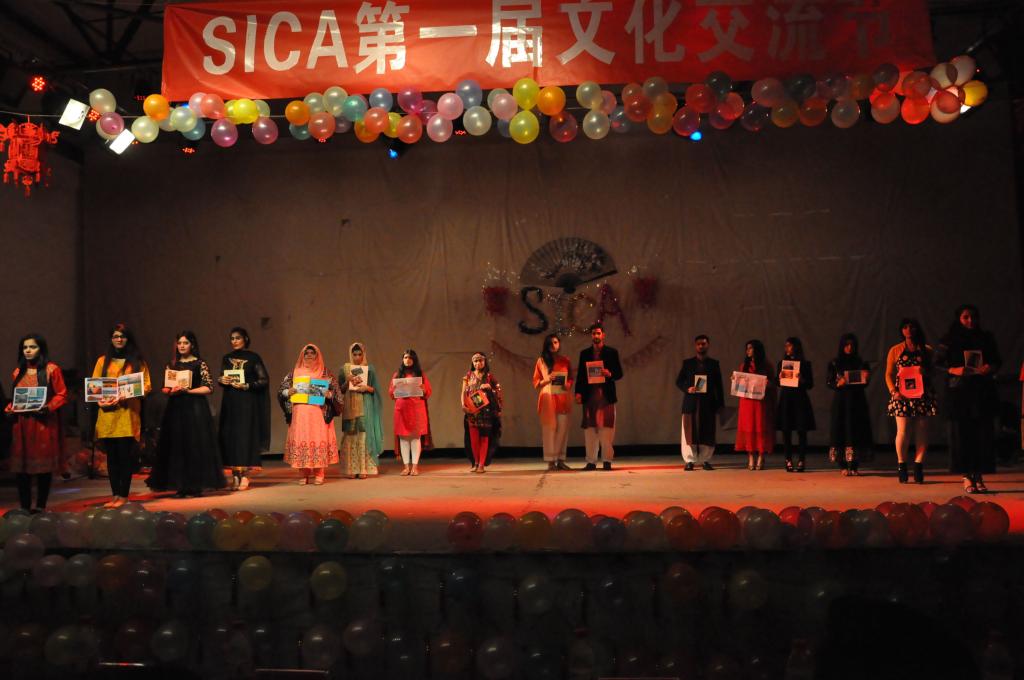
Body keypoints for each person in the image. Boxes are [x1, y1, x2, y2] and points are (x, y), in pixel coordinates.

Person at [146, 332, 226, 497]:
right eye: (179, 343)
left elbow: (209, 387)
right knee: (177, 446)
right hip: (176, 408)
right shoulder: (172, 364)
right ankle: (181, 485)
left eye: (185, 343)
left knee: (194, 445)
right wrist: (171, 391)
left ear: (192, 345)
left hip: (195, 408)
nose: (182, 346)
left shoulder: (199, 363)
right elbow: (165, 387)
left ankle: (195, 485)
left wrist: (188, 390)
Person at [937, 305, 1002, 493]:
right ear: (959, 318)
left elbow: (997, 360)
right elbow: (937, 364)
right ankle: (966, 476)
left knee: (982, 436)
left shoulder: (986, 337)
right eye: (966, 317)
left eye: (973, 316)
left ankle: (979, 475)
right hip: (959, 394)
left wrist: (990, 367)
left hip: (981, 393)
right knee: (962, 436)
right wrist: (954, 369)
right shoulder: (949, 339)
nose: (970, 320)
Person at [5, 334, 68, 512]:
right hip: (22, 425)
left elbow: (62, 394)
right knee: (22, 468)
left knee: (43, 467)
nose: (28, 350)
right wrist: (9, 408)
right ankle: (24, 507)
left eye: (32, 347)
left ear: (41, 349)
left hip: (43, 424)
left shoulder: (51, 370)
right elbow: (17, 398)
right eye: (25, 347)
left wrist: (48, 407)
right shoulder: (18, 372)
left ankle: (40, 506)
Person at [90, 324, 151, 508]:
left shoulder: (137, 361)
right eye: (115, 336)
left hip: (127, 415)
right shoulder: (102, 361)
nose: (119, 339)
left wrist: (128, 394)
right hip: (108, 415)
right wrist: (99, 401)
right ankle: (115, 495)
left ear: (128, 339)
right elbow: (94, 387)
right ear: (111, 339)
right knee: (112, 458)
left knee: (125, 457)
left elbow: (146, 386)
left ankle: (123, 495)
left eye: (122, 336)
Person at [278, 344, 342, 485]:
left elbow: (337, 392)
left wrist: (329, 394)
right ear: (302, 355)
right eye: (306, 353)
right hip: (300, 415)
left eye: (312, 353)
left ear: (317, 355)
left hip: (317, 414)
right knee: (302, 440)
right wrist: (288, 392)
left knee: (317, 440)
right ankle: (303, 473)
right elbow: (281, 390)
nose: (309, 356)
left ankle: (319, 473)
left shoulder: (325, 372)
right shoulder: (294, 373)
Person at [217, 327, 271, 491]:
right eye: (232, 338)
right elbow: (223, 376)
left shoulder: (253, 357)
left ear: (245, 339)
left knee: (246, 437)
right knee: (230, 437)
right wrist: (222, 380)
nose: (234, 341)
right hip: (230, 402)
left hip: (247, 403)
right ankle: (235, 474)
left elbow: (264, 380)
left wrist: (247, 385)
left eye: (238, 338)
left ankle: (245, 475)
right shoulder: (226, 358)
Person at [885, 318, 937, 484]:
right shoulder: (895, 350)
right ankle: (902, 465)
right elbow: (888, 374)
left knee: (922, 431)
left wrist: (925, 372)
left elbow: (934, 372)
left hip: (922, 395)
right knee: (902, 431)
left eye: (912, 327)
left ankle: (918, 465)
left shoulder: (926, 350)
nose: (908, 330)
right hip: (902, 395)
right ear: (901, 330)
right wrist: (893, 391)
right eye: (905, 327)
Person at [574, 324, 624, 471]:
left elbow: (619, 373)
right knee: (590, 430)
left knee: (607, 430)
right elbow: (581, 376)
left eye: (598, 333)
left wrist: (610, 374)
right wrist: (578, 392)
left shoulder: (611, 352)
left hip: (605, 397)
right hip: (589, 396)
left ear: (603, 335)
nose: (595, 336)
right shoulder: (585, 353)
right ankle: (591, 461)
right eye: (593, 334)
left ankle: (607, 460)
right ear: (591, 336)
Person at [825, 333, 873, 476]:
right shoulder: (835, 363)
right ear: (842, 346)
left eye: (852, 345)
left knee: (856, 429)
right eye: (846, 345)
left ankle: (854, 465)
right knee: (841, 429)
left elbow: (864, 383)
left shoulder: (860, 362)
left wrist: (866, 378)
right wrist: (837, 383)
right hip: (841, 402)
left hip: (857, 401)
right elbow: (829, 381)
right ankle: (843, 465)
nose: (849, 347)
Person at [675, 334, 724, 471]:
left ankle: (705, 459)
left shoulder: (714, 364)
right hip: (691, 402)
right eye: (698, 344)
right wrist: (688, 388)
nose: (701, 346)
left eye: (703, 344)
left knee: (707, 430)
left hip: (708, 402)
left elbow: (719, 386)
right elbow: (679, 381)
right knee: (689, 432)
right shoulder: (688, 363)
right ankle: (689, 460)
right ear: (695, 346)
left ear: (708, 345)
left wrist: (720, 404)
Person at [338, 342, 383, 479]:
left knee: (363, 436)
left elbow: (375, 390)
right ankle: (351, 469)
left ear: (363, 354)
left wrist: (367, 388)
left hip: (365, 406)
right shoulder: (344, 369)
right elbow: (340, 390)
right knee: (350, 436)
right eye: (354, 354)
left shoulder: (369, 369)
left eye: (359, 354)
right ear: (351, 354)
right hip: (350, 408)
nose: (357, 357)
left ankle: (364, 468)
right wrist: (347, 381)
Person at [532, 334, 573, 471]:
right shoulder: (541, 361)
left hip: (562, 396)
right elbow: (536, 382)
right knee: (549, 429)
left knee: (563, 429)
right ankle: (550, 461)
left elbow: (571, 378)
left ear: (559, 344)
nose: (553, 345)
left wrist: (568, 384)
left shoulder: (565, 360)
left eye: (555, 342)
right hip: (548, 396)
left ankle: (560, 460)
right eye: (550, 343)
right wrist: (547, 379)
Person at [389, 349, 432, 476]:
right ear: (402, 359)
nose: (407, 360)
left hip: (416, 410)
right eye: (405, 357)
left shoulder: (420, 374)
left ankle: (415, 467)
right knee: (403, 438)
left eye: (410, 358)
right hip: (401, 410)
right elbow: (391, 393)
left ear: (414, 360)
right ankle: (406, 467)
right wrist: (394, 389)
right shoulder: (397, 375)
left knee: (415, 438)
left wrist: (423, 389)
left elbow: (428, 391)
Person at [776, 337, 816, 472]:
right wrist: (779, 378)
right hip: (786, 399)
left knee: (801, 430)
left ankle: (801, 460)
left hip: (800, 400)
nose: (786, 348)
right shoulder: (782, 363)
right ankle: (788, 459)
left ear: (796, 347)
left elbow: (810, 384)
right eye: (785, 345)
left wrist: (802, 379)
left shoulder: (805, 364)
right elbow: (778, 383)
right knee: (786, 430)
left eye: (789, 345)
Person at [735, 339, 775, 470]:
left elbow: (774, 384)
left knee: (760, 427)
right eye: (747, 348)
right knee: (749, 428)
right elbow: (740, 387)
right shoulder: (744, 366)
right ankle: (751, 456)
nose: (748, 351)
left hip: (760, 402)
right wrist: (736, 382)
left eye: (750, 348)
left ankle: (761, 456)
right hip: (747, 402)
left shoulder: (766, 365)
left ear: (757, 350)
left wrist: (768, 384)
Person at [461, 352, 503, 473]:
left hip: (486, 411)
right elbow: (463, 392)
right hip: (472, 411)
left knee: (484, 437)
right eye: (475, 361)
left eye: (480, 360)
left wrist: (490, 388)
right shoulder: (468, 376)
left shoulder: (489, 377)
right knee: (473, 439)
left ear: (484, 362)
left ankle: (481, 465)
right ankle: (475, 462)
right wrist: (463, 405)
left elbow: (498, 390)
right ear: (472, 363)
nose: (478, 363)